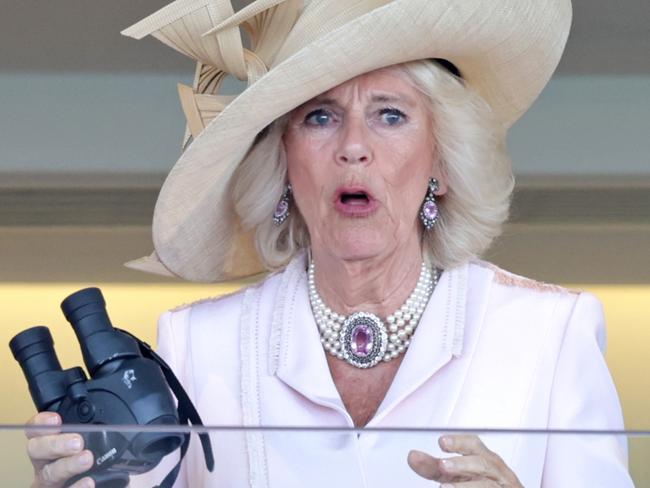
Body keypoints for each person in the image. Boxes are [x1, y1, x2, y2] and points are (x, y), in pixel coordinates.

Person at [25, 0, 633, 486]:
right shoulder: (198, 347)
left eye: (390, 114)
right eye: (320, 116)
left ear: (441, 162)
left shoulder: (550, 335)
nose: (353, 146)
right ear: (283, 160)